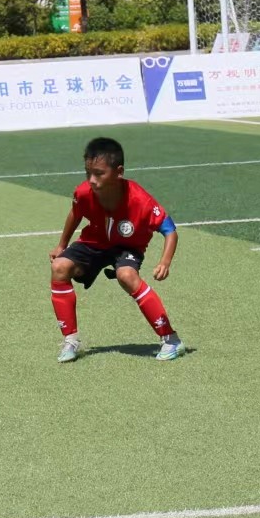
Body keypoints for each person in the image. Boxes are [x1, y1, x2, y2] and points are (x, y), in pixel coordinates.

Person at [48, 137, 185, 364]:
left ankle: (171, 340)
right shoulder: (83, 192)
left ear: (119, 171)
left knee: (126, 275)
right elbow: (76, 213)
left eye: (99, 173)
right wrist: (62, 245)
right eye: (87, 173)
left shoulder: (141, 200)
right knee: (59, 267)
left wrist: (165, 261)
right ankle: (71, 341)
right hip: (94, 242)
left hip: (127, 247)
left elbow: (170, 230)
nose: (91, 180)